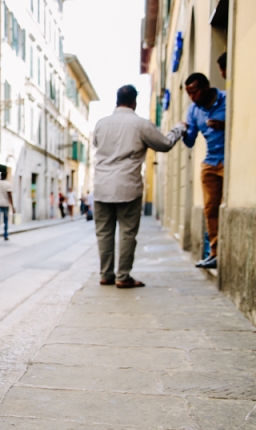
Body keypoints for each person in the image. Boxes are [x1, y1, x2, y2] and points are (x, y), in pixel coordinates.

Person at [93, 85, 185, 288]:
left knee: (104, 233)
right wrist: (179, 128)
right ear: (134, 101)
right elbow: (164, 144)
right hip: (127, 186)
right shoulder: (140, 124)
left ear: (116, 100)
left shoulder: (101, 124)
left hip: (101, 186)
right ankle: (123, 276)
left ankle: (106, 274)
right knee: (127, 232)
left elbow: (96, 144)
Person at [182, 73, 226, 269]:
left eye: (194, 91)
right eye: (189, 93)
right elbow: (190, 141)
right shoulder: (193, 110)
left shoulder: (227, 99)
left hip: (228, 160)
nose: (192, 97)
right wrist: (184, 131)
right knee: (210, 209)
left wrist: (224, 125)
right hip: (210, 163)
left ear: (206, 87)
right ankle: (214, 253)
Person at [0, 171, 14, 240]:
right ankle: (5, 235)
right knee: (6, 220)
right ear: (6, 175)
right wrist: (12, 206)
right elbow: (10, 196)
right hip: (5, 204)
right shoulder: (8, 184)